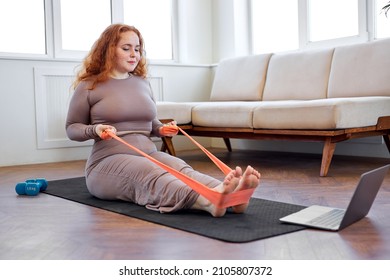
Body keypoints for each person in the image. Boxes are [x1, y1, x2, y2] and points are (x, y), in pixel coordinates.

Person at [66, 23, 261, 217]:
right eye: (126, 48)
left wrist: (161, 129)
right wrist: (95, 129)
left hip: (148, 153)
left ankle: (232, 197)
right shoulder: (89, 86)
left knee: (180, 168)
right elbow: (72, 128)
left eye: (137, 49)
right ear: (108, 50)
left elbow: (149, 123)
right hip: (106, 163)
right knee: (150, 171)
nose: (134, 54)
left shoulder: (142, 83)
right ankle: (207, 201)